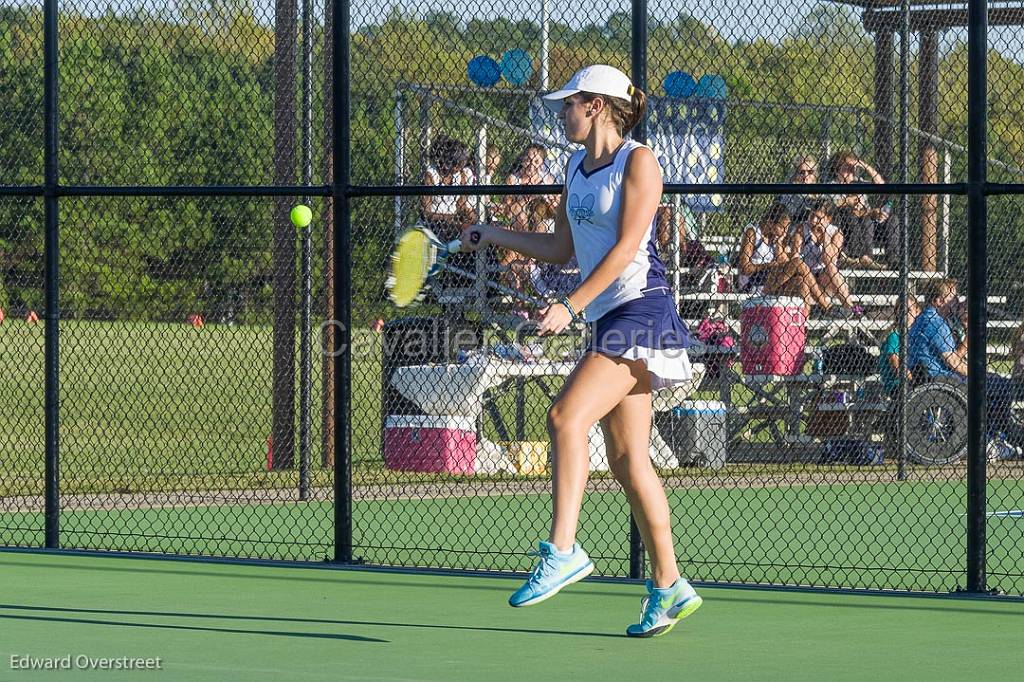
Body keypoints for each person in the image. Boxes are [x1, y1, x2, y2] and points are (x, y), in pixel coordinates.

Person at [459, 64, 702, 638]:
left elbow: (623, 251)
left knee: (565, 417)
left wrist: (568, 306)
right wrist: (491, 232)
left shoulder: (639, 162)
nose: (560, 113)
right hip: (605, 315)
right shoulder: (574, 166)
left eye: (568, 104)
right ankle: (670, 586)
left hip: (641, 310)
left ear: (595, 106)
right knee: (627, 460)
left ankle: (563, 549)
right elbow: (561, 246)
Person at [908, 278, 1021, 447]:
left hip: (930, 374)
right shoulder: (936, 323)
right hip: (940, 377)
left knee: (994, 382)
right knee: (1001, 384)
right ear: (939, 301)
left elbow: (953, 356)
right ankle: (998, 432)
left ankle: (995, 432)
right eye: (952, 298)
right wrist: (980, 375)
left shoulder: (922, 319)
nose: (956, 302)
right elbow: (953, 362)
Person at [737, 202, 834, 313]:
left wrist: (779, 243)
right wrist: (768, 265)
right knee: (797, 262)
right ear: (770, 223)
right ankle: (824, 304)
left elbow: (784, 263)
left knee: (802, 282)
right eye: (782, 227)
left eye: (787, 228)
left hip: (772, 283)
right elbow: (744, 268)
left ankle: (803, 326)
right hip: (753, 283)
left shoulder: (776, 237)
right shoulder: (753, 233)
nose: (785, 231)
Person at [789, 198, 856, 312]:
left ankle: (849, 307)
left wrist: (825, 235)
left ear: (828, 219)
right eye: (812, 215)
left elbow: (828, 260)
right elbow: (795, 256)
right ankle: (809, 320)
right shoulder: (802, 228)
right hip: (804, 275)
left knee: (831, 268)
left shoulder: (836, 233)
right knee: (803, 281)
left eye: (819, 218)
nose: (813, 220)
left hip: (825, 277)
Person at [827, 151, 892, 268]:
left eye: (853, 167)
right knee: (847, 212)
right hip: (844, 225)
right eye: (846, 167)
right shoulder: (832, 185)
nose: (851, 170)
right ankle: (855, 255)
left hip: (866, 224)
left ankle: (893, 261)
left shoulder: (859, 182)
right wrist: (847, 201)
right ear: (837, 169)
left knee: (892, 220)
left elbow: (881, 185)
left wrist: (863, 164)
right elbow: (829, 207)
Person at [420, 135, 477, 240]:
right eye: (457, 165)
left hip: (453, 225)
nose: (459, 168)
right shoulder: (431, 175)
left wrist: (470, 215)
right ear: (448, 161)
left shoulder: (461, 175)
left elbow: (461, 204)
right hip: (433, 225)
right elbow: (426, 212)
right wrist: (449, 219)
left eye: (461, 166)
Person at [502, 143, 558, 233]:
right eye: (528, 160)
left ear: (542, 163)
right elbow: (507, 211)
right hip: (520, 223)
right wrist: (524, 202)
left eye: (536, 161)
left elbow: (556, 207)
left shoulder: (548, 180)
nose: (531, 165)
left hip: (543, 224)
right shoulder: (513, 180)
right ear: (522, 160)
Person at [879, 297, 920, 394]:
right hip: (896, 384)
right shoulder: (894, 335)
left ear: (917, 311)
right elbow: (897, 368)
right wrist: (917, 381)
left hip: (911, 381)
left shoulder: (915, 334)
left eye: (909, 310)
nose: (905, 314)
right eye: (901, 310)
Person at [777, 155, 820, 222]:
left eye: (810, 172)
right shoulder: (788, 192)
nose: (806, 176)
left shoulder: (818, 191)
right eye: (802, 172)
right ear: (795, 174)